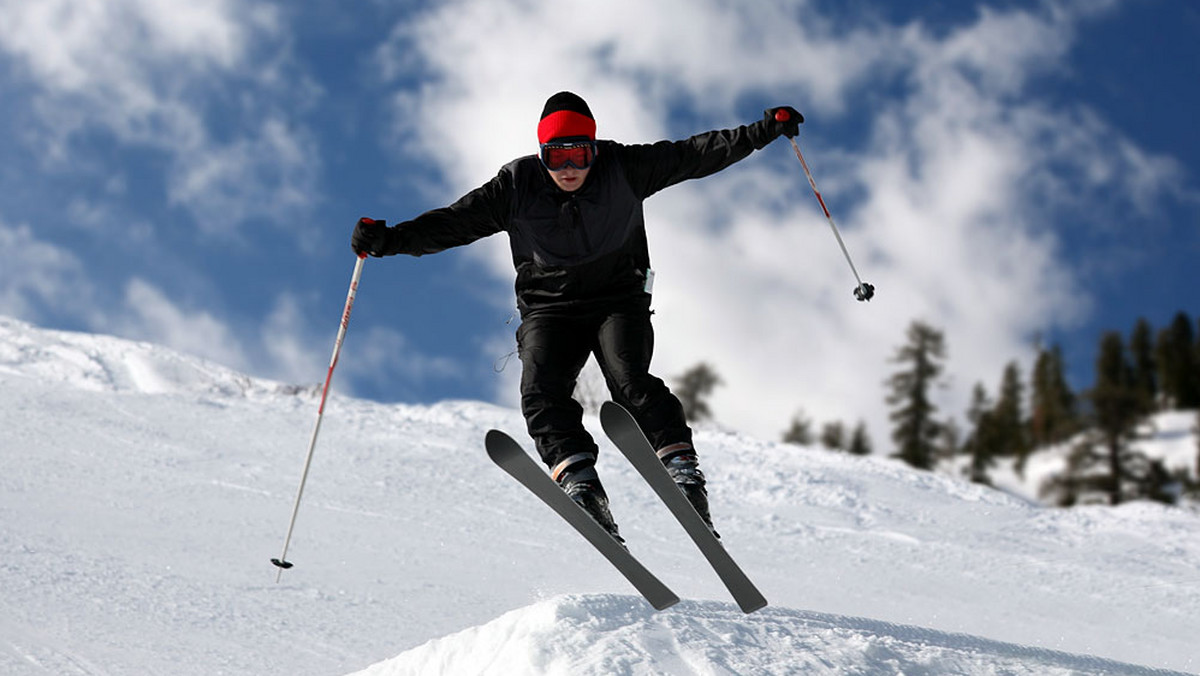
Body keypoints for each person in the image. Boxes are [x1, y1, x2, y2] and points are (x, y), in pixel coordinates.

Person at [352, 91, 802, 543]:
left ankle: (682, 469)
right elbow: (453, 222)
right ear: (540, 154)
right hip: (550, 308)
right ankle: (579, 478)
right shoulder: (516, 185)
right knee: (541, 388)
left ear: (595, 148)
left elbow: (694, 154)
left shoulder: (624, 168)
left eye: (580, 155)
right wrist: (388, 240)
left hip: (617, 300)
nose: (569, 168)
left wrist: (763, 131)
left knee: (628, 378)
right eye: (555, 157)